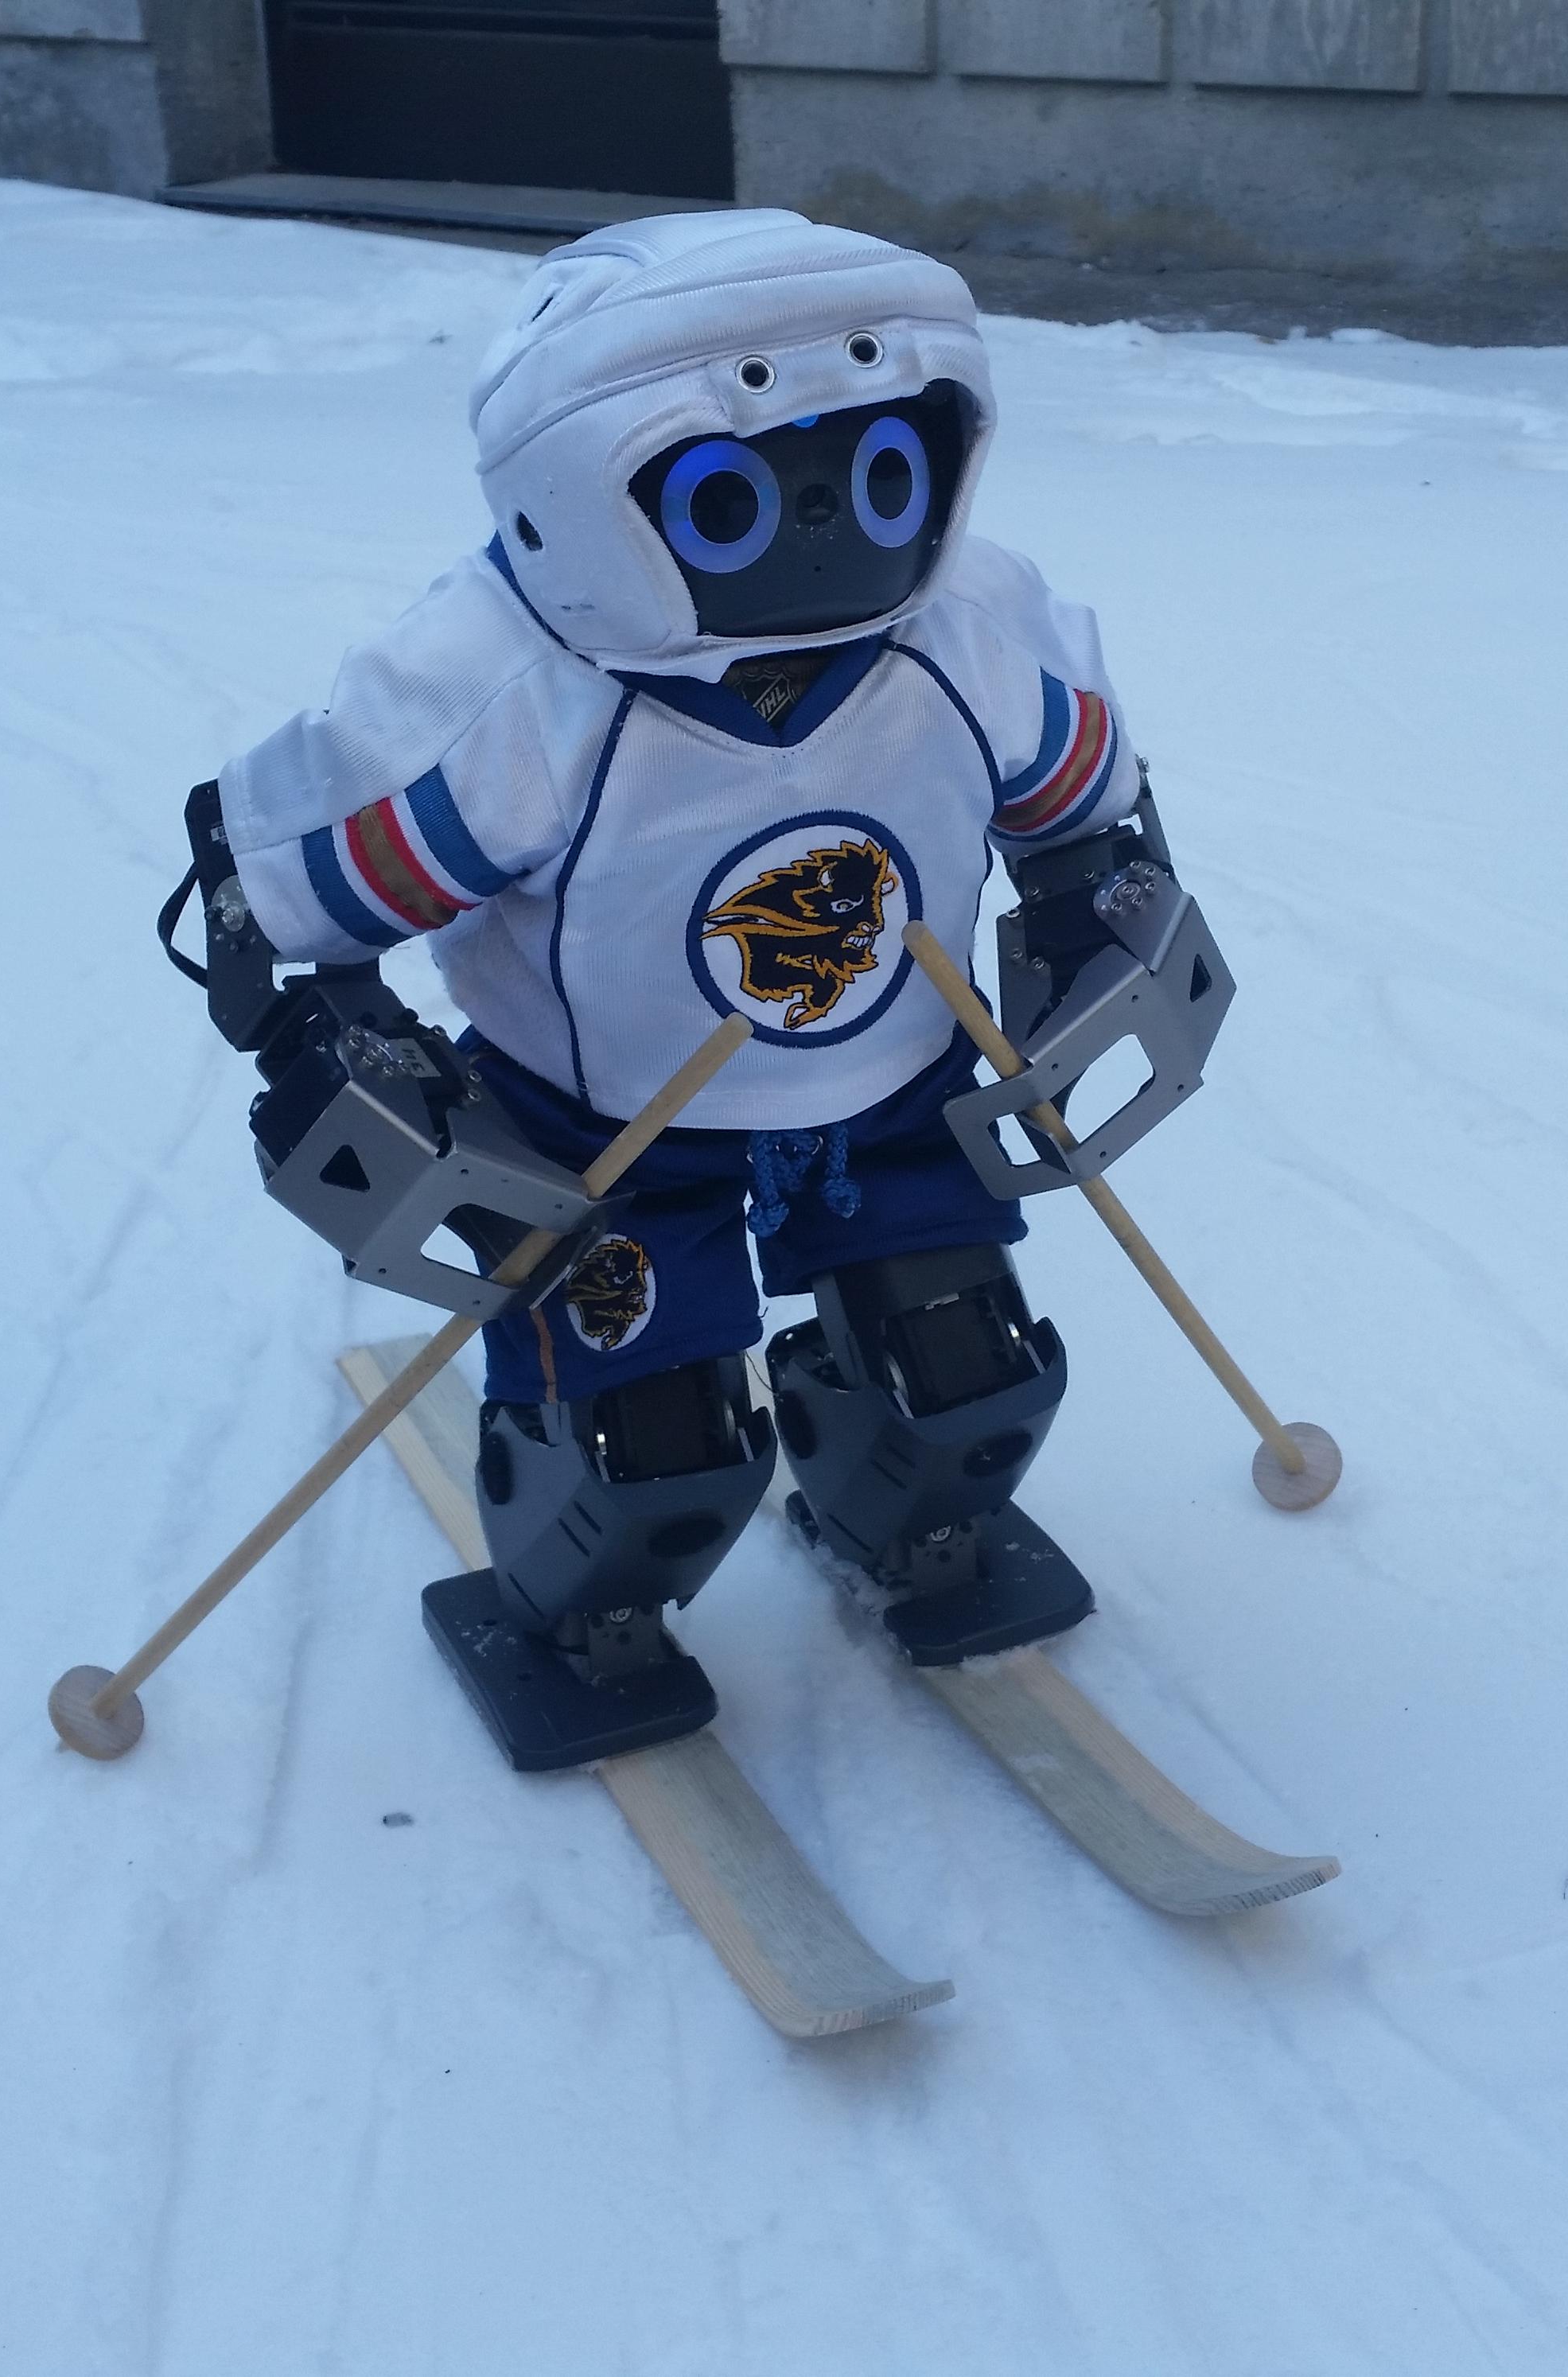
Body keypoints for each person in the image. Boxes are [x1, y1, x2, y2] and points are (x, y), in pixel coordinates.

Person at [162, 210, 1229, 1772]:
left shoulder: (965, 634)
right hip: (604, 1136)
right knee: (649, 1449)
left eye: (883, 471)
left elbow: (1082, 803)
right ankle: (587, 1613)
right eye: (731, 498)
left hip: (897, 1085)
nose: (830, 529)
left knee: (965, 1376)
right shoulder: (516, 699)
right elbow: (301, 891)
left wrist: (1092, 909)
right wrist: (331, 1035)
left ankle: (922, 1522)